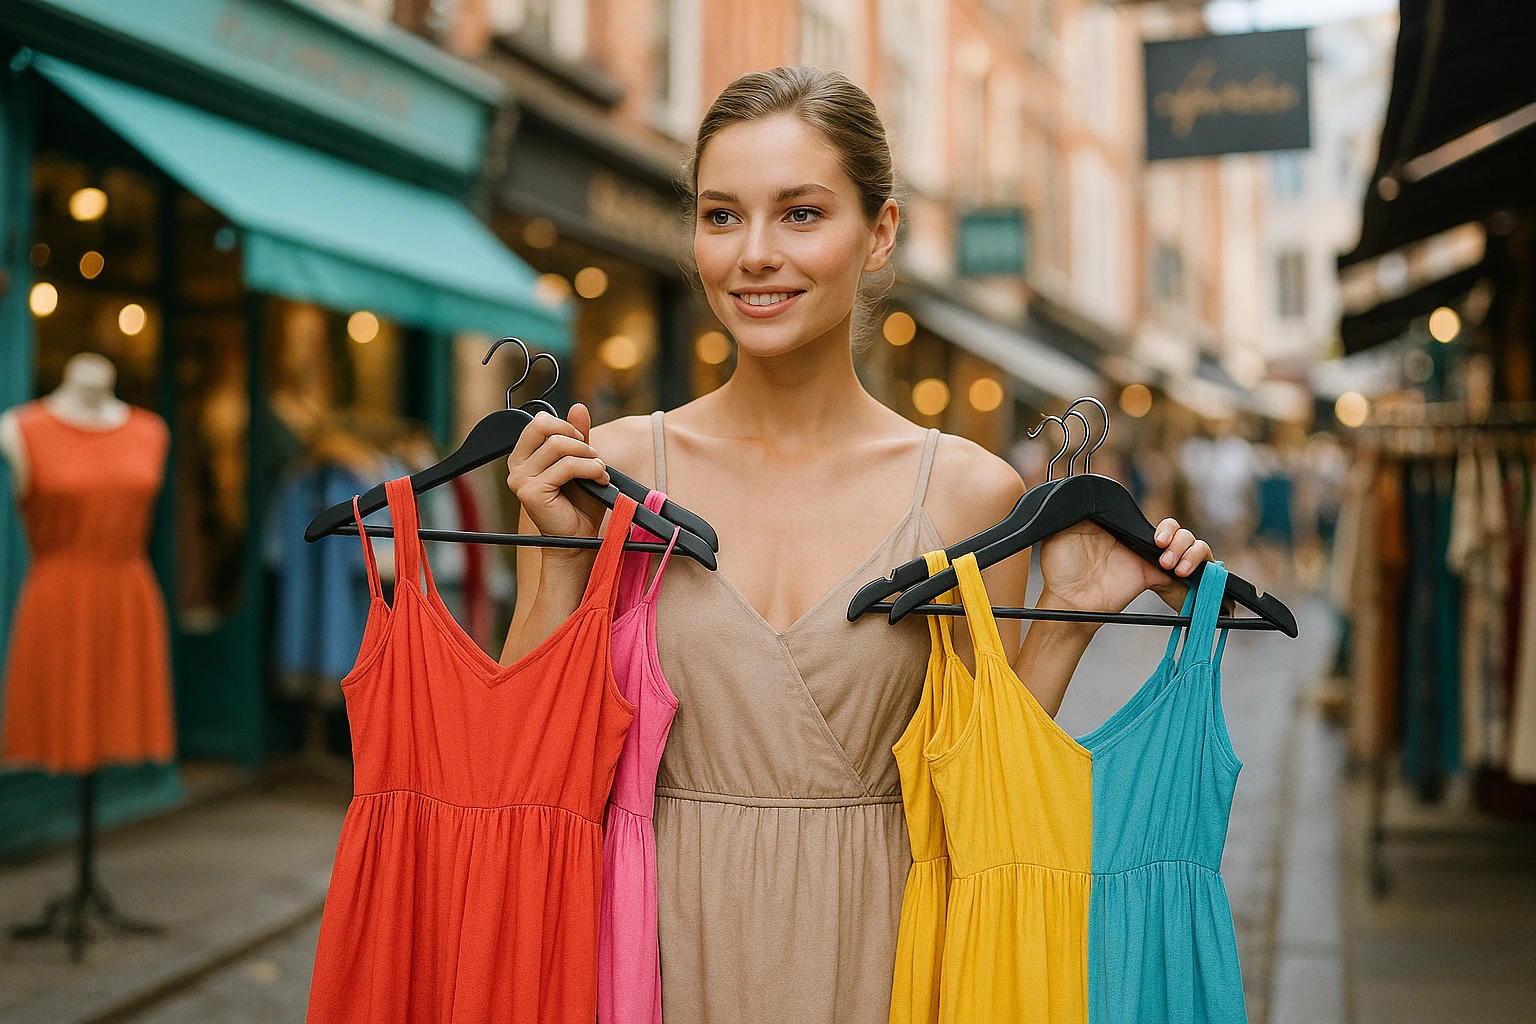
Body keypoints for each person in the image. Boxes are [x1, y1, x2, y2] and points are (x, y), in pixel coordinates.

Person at [500, 67, 1214, 1024]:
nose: (754, 255)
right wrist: (557, 568)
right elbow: (521, 781)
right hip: (652, 947)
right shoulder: (612, 470)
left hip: (887, 950)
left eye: (800, 215)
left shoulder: (967, 492)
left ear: (879, 233)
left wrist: (1066, 627)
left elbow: (986, 797)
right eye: (722, 216)